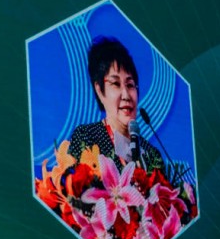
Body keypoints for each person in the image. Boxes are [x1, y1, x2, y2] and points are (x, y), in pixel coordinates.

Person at [68, 36, 164, 174]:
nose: (126, 95)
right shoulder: (87, 136)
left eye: (130, 85)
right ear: (99, 90)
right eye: (116, 84)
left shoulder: (152, 155)